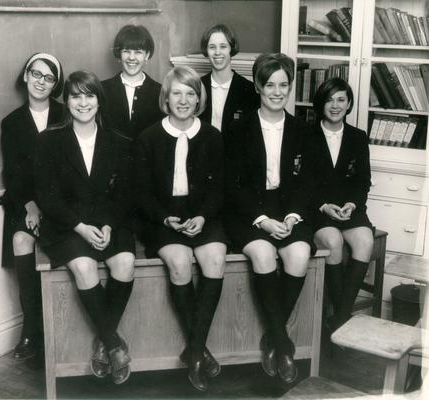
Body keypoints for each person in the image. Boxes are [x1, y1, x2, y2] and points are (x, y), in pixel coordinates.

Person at [34, 71, 135, 385]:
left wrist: (107, 225)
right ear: (67, 100)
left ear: (98, 100)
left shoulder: (118, 141)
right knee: (85, 266)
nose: (83, 102)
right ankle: (114, 344)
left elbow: (124, 195)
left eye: (89, 95)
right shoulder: (50, 140)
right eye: (75, 96)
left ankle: (104, 342)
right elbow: (45, 196)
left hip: (107, 223)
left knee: (125, 263)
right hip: (65, 225)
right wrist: (80, 227)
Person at [135, 66, 227, 392]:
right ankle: (200, 351)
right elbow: (141, 192)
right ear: (166, 97)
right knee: (179, 262)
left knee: (214, 259)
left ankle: (195, 350)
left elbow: (220, 189)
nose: (184, 100)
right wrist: (164, 218)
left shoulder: (213, 136)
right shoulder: (148, 137)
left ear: (198, 99)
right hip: (162, 219)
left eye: (191, 93)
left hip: (203, 216)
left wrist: (202, 216)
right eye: (177, 93)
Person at [224, 53, 314, 384]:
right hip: (248, 211)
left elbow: (307, 184)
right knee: (263, 253)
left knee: (300, 253)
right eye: (270, 84)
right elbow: (231, 185)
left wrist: (291, 217)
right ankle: (283, 344)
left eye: (284, 85)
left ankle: (273, 337)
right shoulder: (238, 128)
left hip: (288, 209)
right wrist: (261, 219)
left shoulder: (302, 129)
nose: (277, 91)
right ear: (259, 87)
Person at [1, 52, 64, 367]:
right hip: (24, 203)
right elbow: (12, 175)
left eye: (48, 77)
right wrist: (30, 206)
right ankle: (31, 328)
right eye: (36, 74)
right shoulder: (12, 123)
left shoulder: (67, 114)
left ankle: (60, 331)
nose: (41, 81)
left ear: (55, 84)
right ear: (25, 76)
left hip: (63, 203)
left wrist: (51, 206)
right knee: (22, 240)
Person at [310, 77, 374, 333]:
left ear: (349, 105)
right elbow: (301, 183)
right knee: (333, 241)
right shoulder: (306, 134)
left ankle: (339, 316)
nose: (335, 106)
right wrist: (324, 206)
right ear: (320, 104)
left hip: (350, 209)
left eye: (341, 100)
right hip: (319, 210)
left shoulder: (358, 137)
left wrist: (351, 204)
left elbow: (363, 181)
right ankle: (343, 317)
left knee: (365, 240)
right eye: (329, 100)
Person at [101, 24, 164, 141]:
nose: (131, 57)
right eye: (126, 51)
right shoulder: (102, 89)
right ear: (119, 54)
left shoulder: (160, 91)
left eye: (138, 52)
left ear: (147, 55)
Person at [198, 24, 258, 142]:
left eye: (223, 46)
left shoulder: (249, 89)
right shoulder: (197, 86)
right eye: (212, 47)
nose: (217, 52)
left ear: (231, 49)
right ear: (206, 51)